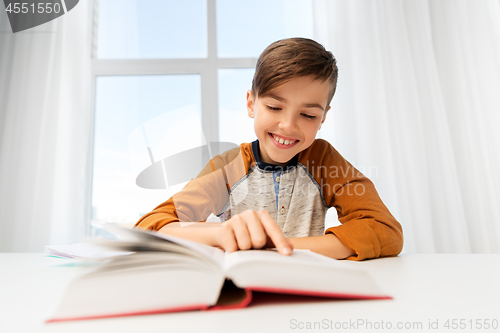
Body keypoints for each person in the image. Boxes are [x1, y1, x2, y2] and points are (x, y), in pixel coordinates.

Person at [135, 38, 403, 260]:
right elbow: (150, 226)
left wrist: (276, 248)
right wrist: (221, 234)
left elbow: (385, 230)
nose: (287, 125)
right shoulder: (227, 167)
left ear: (323, 118)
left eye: (308, 115)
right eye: (274, 107)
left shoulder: (324, 160)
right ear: (251, 104)